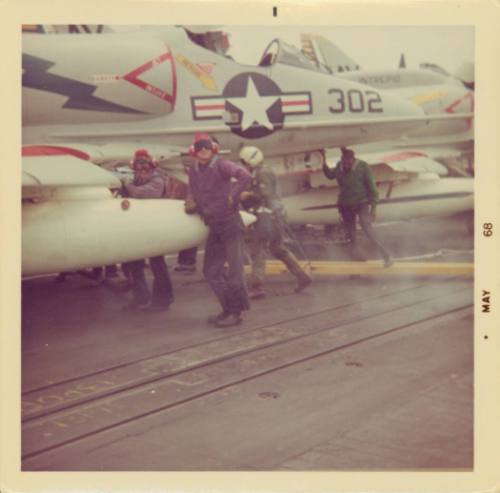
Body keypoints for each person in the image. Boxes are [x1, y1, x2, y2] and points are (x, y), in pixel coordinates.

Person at [186, 133, 252, 327]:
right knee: (210, 271)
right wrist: (192, 201)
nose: (203, 150)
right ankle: (228, 309)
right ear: (194, 151)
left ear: (212, 148)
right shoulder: (193, 170)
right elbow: (193, 189)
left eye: (206, 146)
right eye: (199, 147)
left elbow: (244, 175)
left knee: (235, 271)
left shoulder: (221, 164)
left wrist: (233, 194)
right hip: (214, 225)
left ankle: (235, 313)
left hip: (231, 224)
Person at [239, 146, 312, 299]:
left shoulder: (262, 173)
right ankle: (302, 276)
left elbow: (264, 194)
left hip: (266, 217)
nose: (244, 165)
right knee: (279, 249)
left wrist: (247, 195)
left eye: (244, 162)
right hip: (276, 216)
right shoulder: (264, 171)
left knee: (258, 251)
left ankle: (257, 287)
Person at [121, 149, 175, 311]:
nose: (142, 168)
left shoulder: (157, 180)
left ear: (152, 165)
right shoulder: (137, 179)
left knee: (157, 264)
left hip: (155, 227)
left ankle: (163, 300)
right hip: (140, 226)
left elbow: (139, 194)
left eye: (145, 164)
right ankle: (141, 297)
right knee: (134, 262)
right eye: (138, 164)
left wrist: (127, 184)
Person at [322, 147, 393, 267]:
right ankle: (357, 261)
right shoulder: (340, 166)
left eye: (348, 163)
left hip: (361, 203)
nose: (346, 166)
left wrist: (373, 209)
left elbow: (373, 189)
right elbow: (330, 175)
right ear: (342, 160)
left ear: (353, 160)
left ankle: (387, 256)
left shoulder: (363, 167)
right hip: (345, 205)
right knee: (351, 236)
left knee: (368, 229)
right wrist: (323, 160)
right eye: (344, 163)